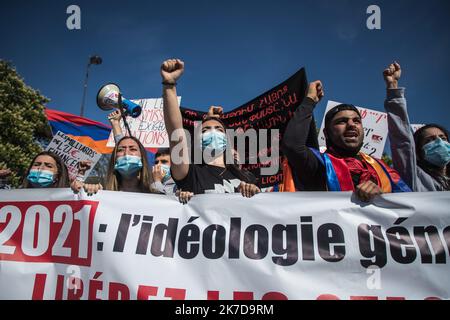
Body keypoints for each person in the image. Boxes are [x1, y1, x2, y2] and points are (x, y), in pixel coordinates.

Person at [281, 80, 411, 202]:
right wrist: (309, 101)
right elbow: (292, 145)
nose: (351, 125)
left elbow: (411, 206)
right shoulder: (318, 164)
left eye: (356, 121)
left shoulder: (383, 170)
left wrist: (382, 199)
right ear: (326, 133)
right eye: (342, 121)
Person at [160, 58, 260, 198]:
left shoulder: (246, 177)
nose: (213, 133)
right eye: (205, 131)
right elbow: (176, 133)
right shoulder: (191, 173)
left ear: (227, 139)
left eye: (219, 130)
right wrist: (169, 85)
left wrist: (255, 193)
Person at [383, 62, 450, 191]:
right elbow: (402, 141)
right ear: (418, 151)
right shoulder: (416, 177)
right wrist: (393, 88)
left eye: (443, 138)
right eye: (429, 140)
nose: (439, 142)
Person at [73, 136, 156, 195]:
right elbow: (76, 193)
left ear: (142, 157)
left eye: (133, 149)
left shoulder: (154, 194)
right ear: (114, 158)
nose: (126, 154)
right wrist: (84, 184)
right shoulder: (102, 191)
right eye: (120, 150)